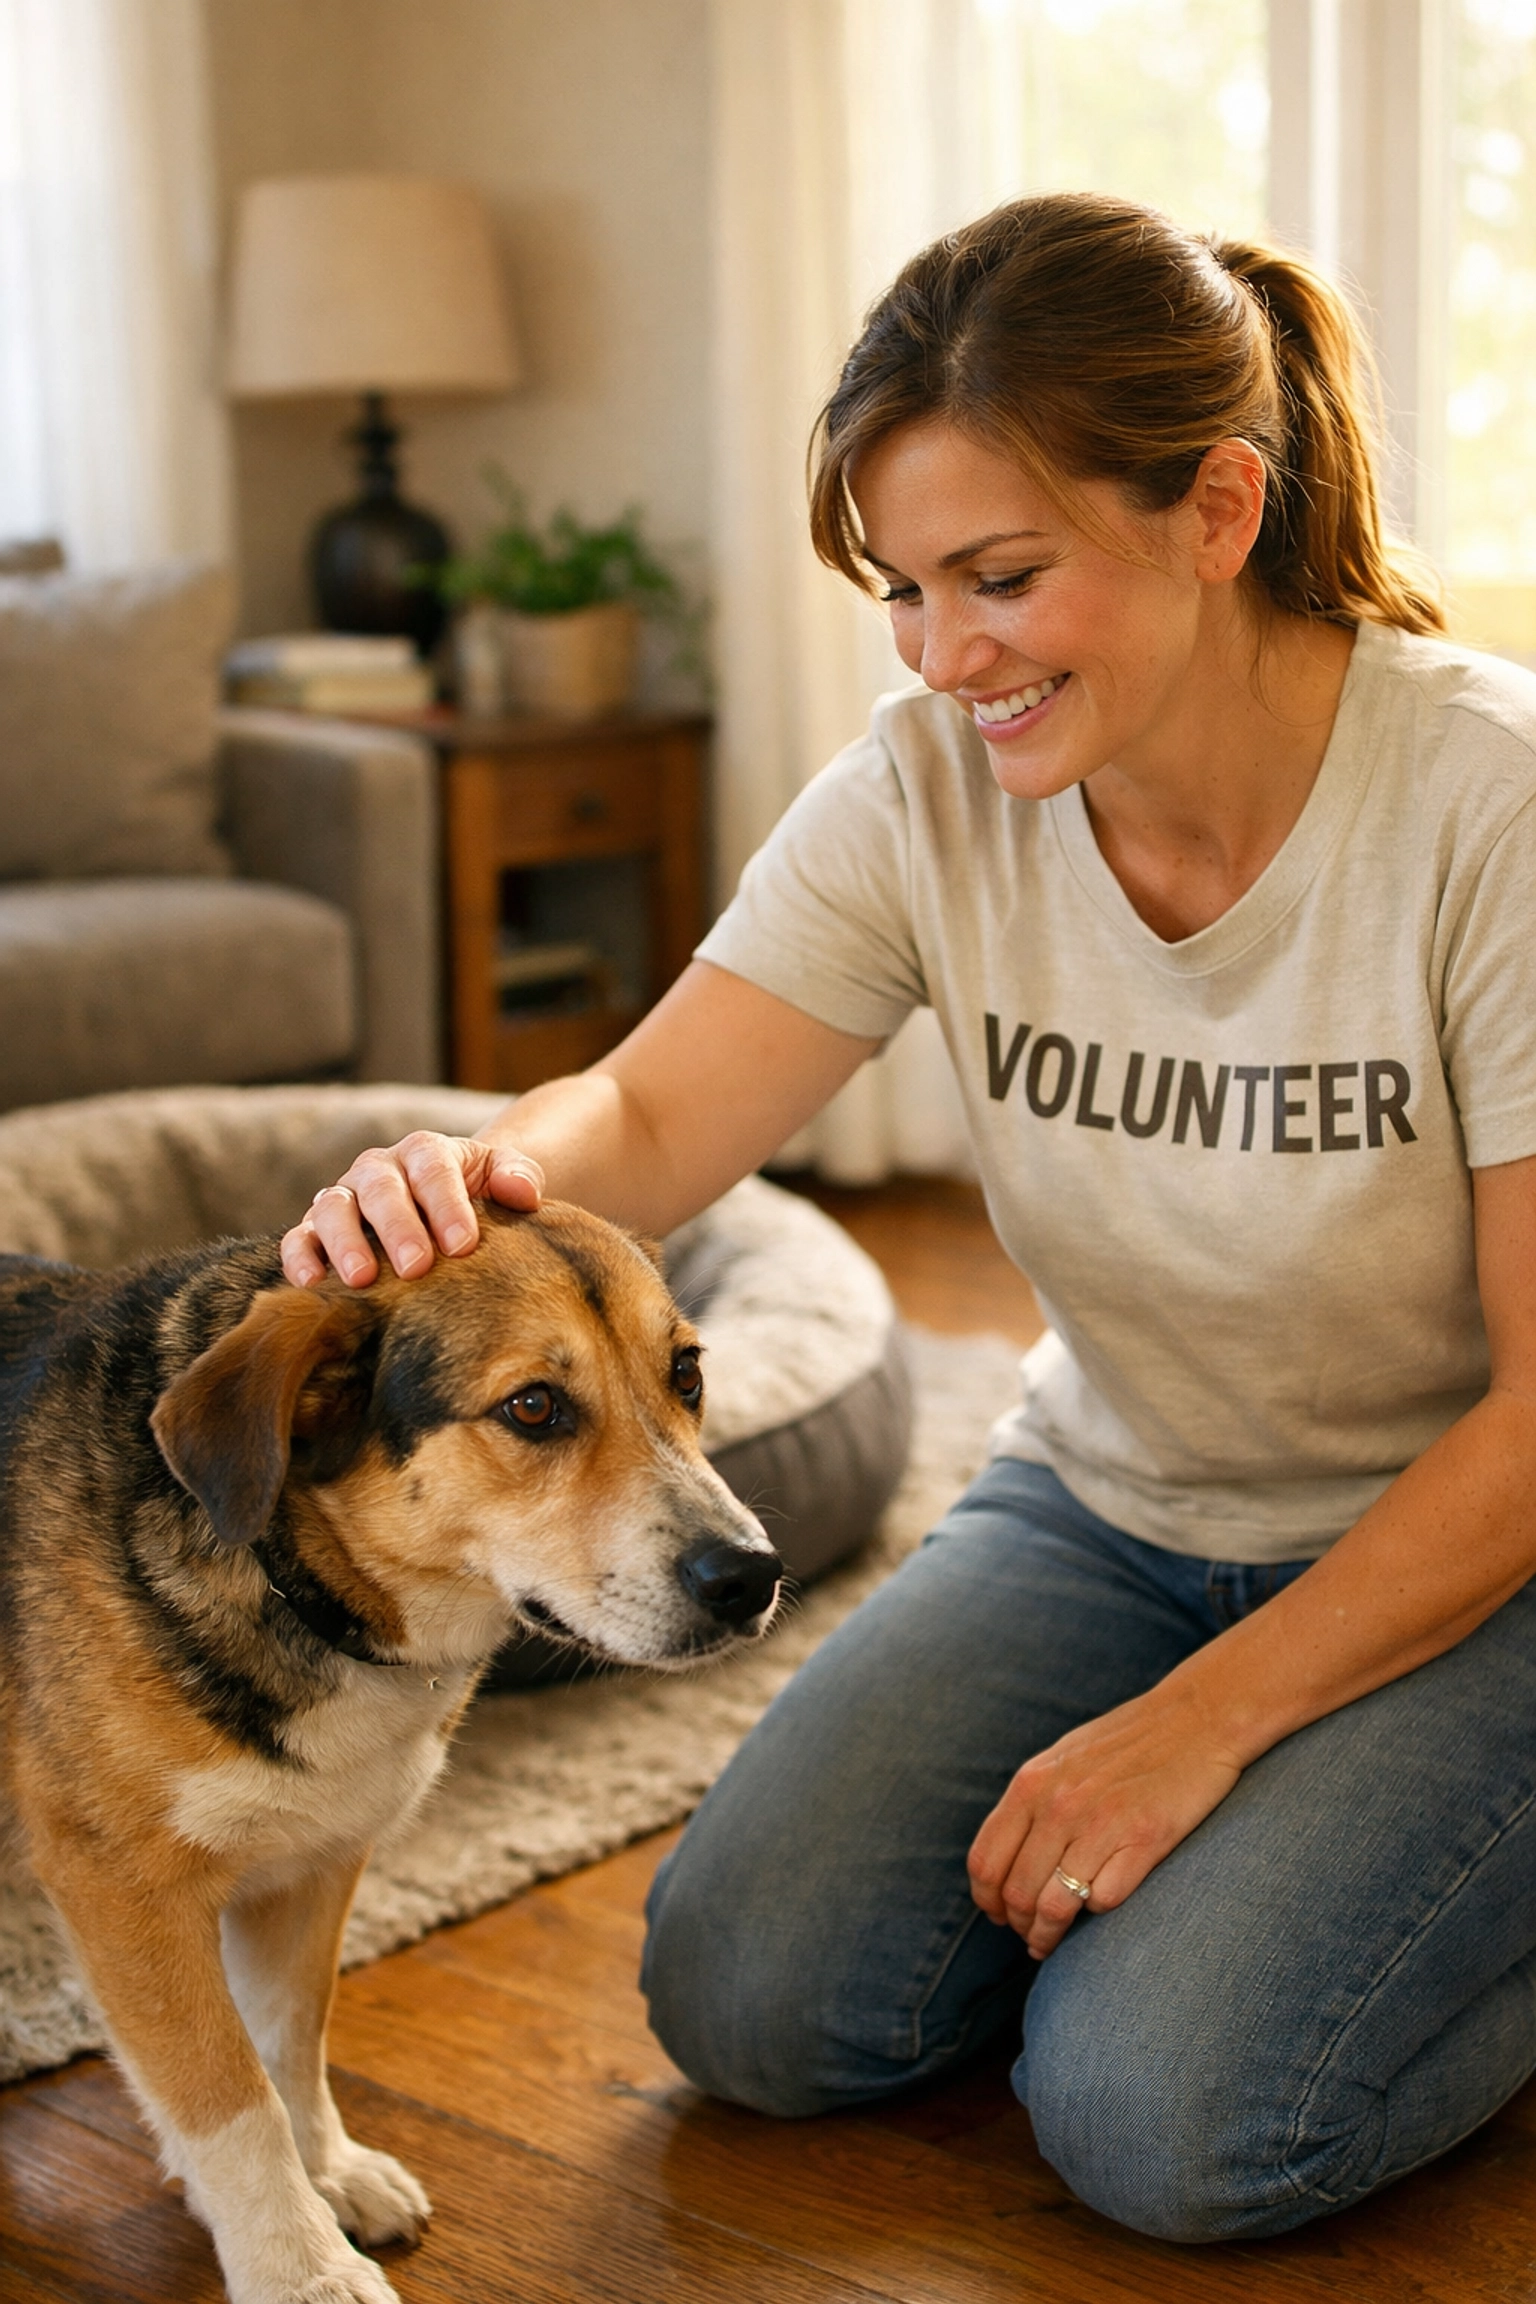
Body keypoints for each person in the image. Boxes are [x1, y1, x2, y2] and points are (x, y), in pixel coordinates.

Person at [282, 193, 1536, 2243]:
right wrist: (474, 1178)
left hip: (1476, 1559)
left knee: (1172, 2118)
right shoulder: (929, 786)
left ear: (1219, 510)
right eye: (902, 590)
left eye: (1003, 577)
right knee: (750, 1996)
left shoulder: (1490, 808)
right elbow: (659, 1108)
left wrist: (1193, 1737)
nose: (949, 657)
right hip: (1116, 1503)